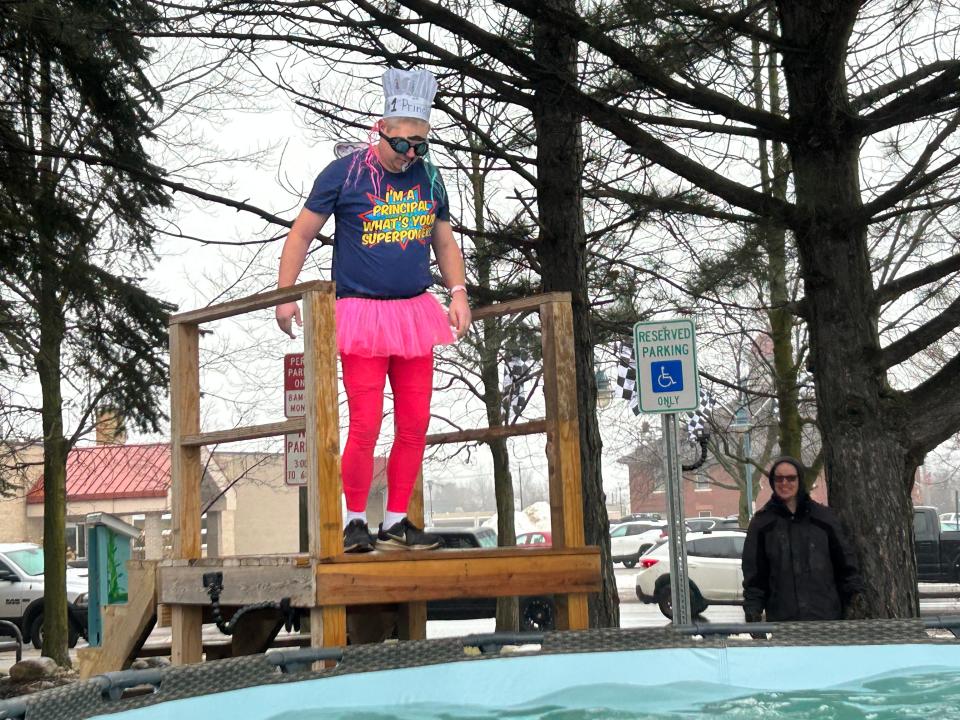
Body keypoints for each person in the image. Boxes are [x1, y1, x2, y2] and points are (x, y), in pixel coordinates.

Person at [275, 67, 471, 554]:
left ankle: (398, 519)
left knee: (416, 421)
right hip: (361, 312)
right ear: (379, 130)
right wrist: (285, 291)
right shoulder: (345, 174)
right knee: (366, 421)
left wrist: (459, 291)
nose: (411, 153)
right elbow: (301, 233)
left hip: (413, 313)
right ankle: (356, 520)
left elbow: (443, 240)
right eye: (403, 143)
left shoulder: (429, 177)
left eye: (421, 144)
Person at [741, 456, 865, 622]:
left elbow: (845, 563)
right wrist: (753, 609)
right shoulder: (762, 524)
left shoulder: (824, 518)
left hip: (826, 616)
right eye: (779, 478)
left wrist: (855, 597)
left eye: (791, 478)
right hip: (783, 619)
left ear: (800, 480)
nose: (785, 483)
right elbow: (755, 575)